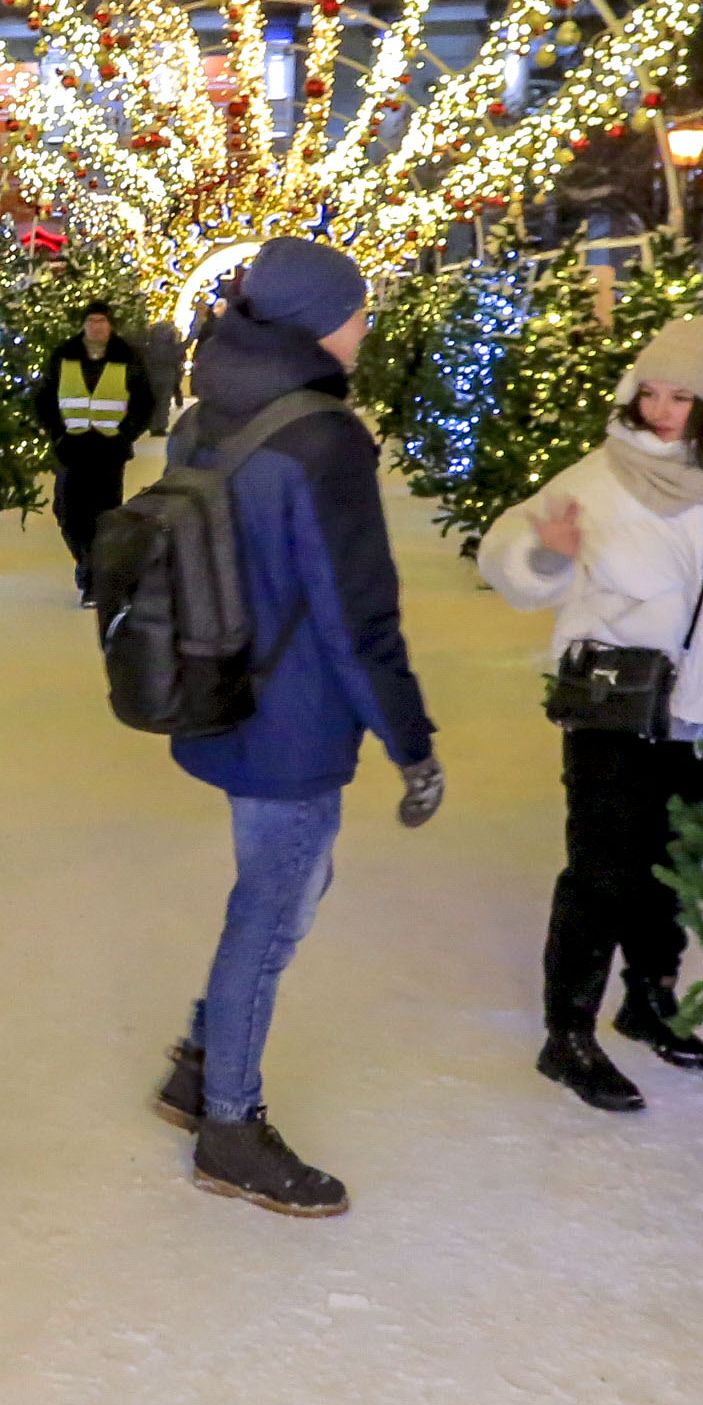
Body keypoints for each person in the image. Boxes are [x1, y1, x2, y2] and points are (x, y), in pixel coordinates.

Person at [149, 238, 444, 1217]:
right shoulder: (324, 438)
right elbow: (355, 613)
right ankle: (229, 1123)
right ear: (320, 320)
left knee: (272, 896)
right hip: (294, 720)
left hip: (218, 687)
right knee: (274, 911)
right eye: (358, 309)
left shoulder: (206, 412)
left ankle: (201, 1063)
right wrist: (411, 741)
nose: (366, 326)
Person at [479, 315, 703, 1113]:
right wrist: (546, 549)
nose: (659, 410)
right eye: (649, 392)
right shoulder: (600, 476)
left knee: (677, 866)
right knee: (604, 868)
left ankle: (649, 998)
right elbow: (509, 555)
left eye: (679, 395)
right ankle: (569, 1032)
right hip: (617, 707)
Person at [29, 298, 161, 601]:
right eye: (91, 321)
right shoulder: (65, 355)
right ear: (84, 325)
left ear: (110, 324)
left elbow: (144, 400)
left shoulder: (126, 356)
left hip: (108, 450)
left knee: (104, 517)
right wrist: (57, 433)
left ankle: (94, 578)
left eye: (102, 321)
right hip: (72, 448)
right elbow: (44, 397)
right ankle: (87, 565)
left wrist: (125, 434)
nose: (97, 327)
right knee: (69, 515)